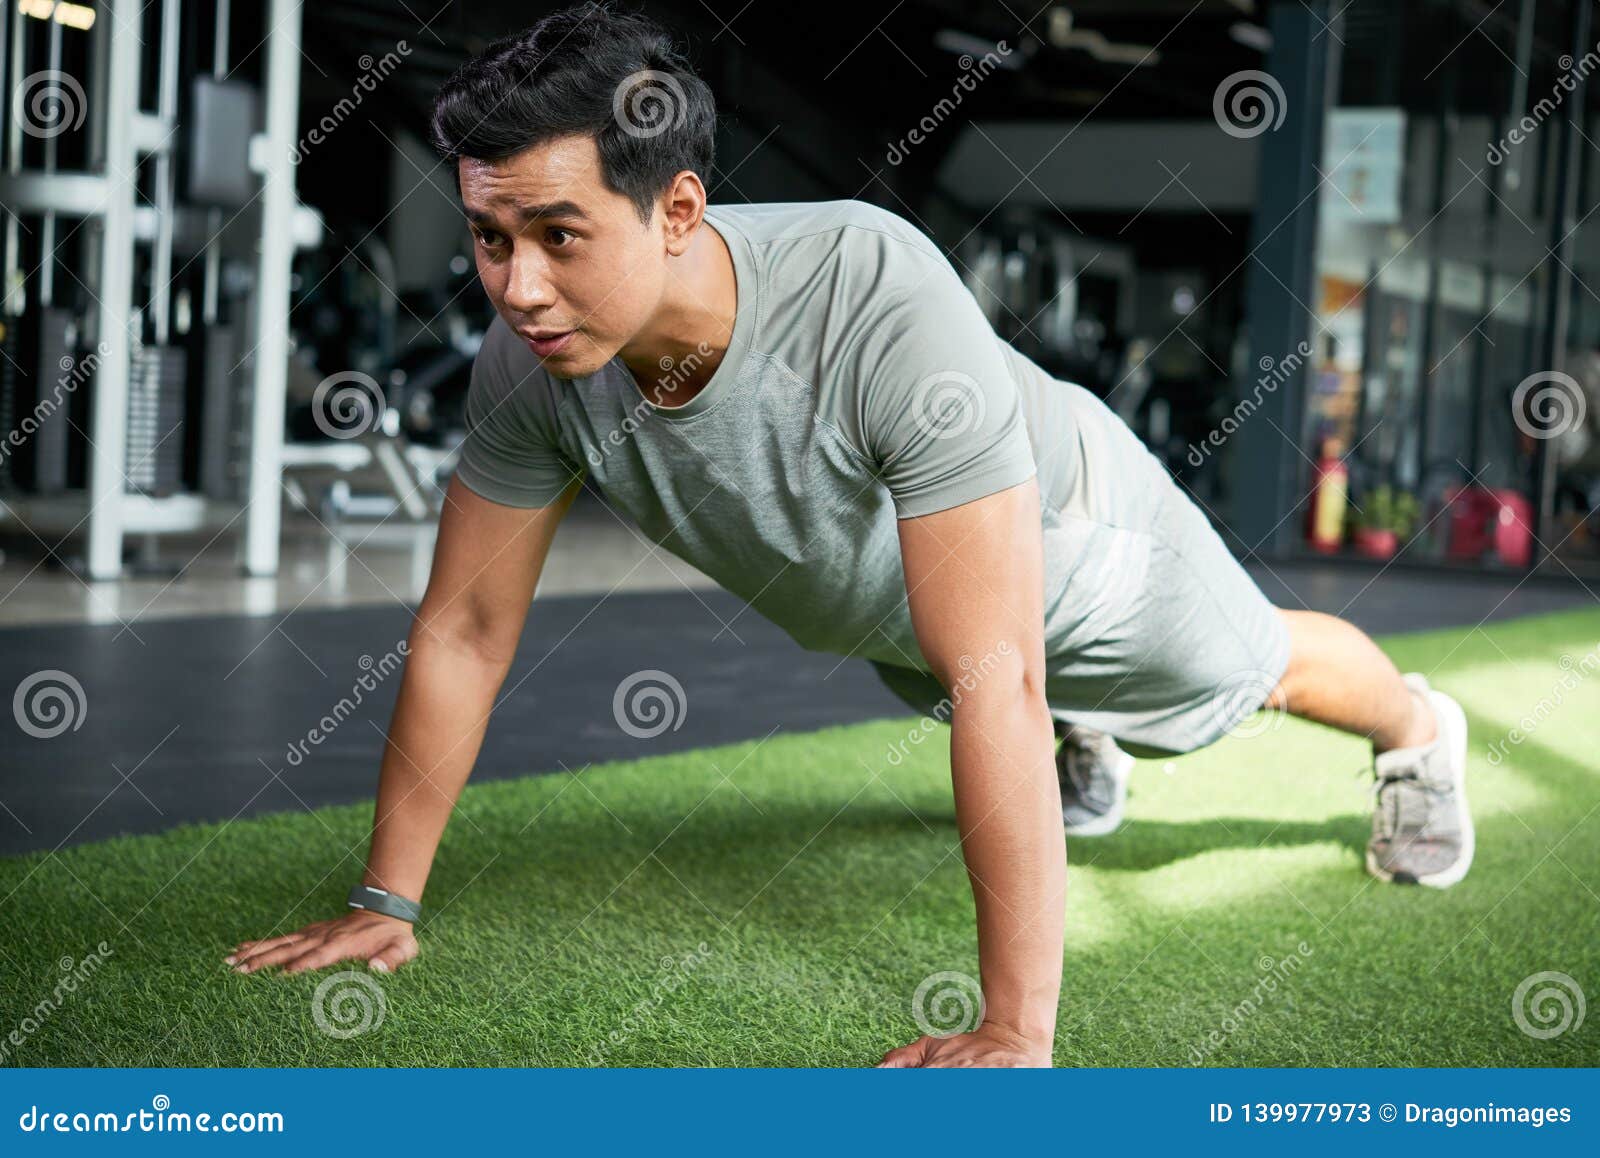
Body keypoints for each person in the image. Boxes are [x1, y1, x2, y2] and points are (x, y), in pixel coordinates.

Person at [222, 3, 1472, 1068]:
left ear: (676, 209)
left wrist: (1011, 1032)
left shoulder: (868, 288)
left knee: (1248, 673)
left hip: (1080, 541)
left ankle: (1418, 731)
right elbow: (465, 627)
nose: (519, 285)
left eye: (558, 235)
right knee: (955, 661)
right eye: (492, 239)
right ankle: (1075, 742)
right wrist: (385, 899)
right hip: (901, 611)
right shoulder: (530, 365)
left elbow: (998, 672)